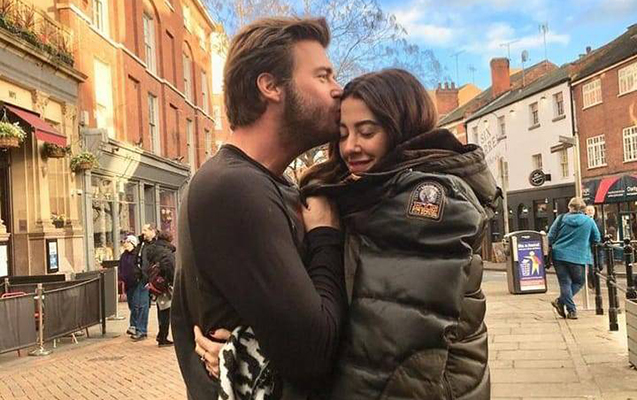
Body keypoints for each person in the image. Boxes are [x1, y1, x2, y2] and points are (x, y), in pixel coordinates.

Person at [196, 69, 499, 399]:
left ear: (403, 129)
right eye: (342, 134)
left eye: (366, 132)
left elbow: (385, 353)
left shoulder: (428, 202)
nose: (350, 147)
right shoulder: (371, 195)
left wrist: (251, 364)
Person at [171, 16, 348, 400]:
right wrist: (325, 235)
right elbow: (314, 353)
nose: (338, 90)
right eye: (323, 77)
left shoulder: (267, 184)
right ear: (270, 86)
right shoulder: (232, 188)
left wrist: (239, 352)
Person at [549, 197, 601, 320]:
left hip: (559, 255)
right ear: (583, 209)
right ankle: (563, 304)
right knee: (579, 282)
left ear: (569, 207)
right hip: (579, 256)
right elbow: (597, 238)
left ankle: (569, 308)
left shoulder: (561, 218)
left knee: (565, 282)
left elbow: (550, 236)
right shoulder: (589, 221)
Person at [147, 230, 176, 347]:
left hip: (155, 283)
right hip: (164, 284)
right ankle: (163, 337)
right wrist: (172, 281)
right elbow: (170, 269)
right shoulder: (166, 252)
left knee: (161, 309)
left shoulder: (152, 250)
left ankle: (161, 335)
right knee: (166, 310)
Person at [130, 224, 157, 341]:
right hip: (141, 278)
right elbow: (136, 258)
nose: (143, 232)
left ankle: (142, 330)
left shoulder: (155, 244)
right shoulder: (142, 244)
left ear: (152, 231)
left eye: (145, 230)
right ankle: (139, 328)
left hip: (150, 278)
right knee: (137, 303)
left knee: (143, 304)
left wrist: (149, 276)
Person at [118, 234, 140, 336]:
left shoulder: (136, 254)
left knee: (135, 304)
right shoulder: (124, 255)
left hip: (136, 283)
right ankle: (136, 324)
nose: (125, 244)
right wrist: (121, 276)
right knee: (131, 304)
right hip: (128, 283)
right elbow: (121, 267)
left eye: (127, 242)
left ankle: (133, 325)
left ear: (132, 243)